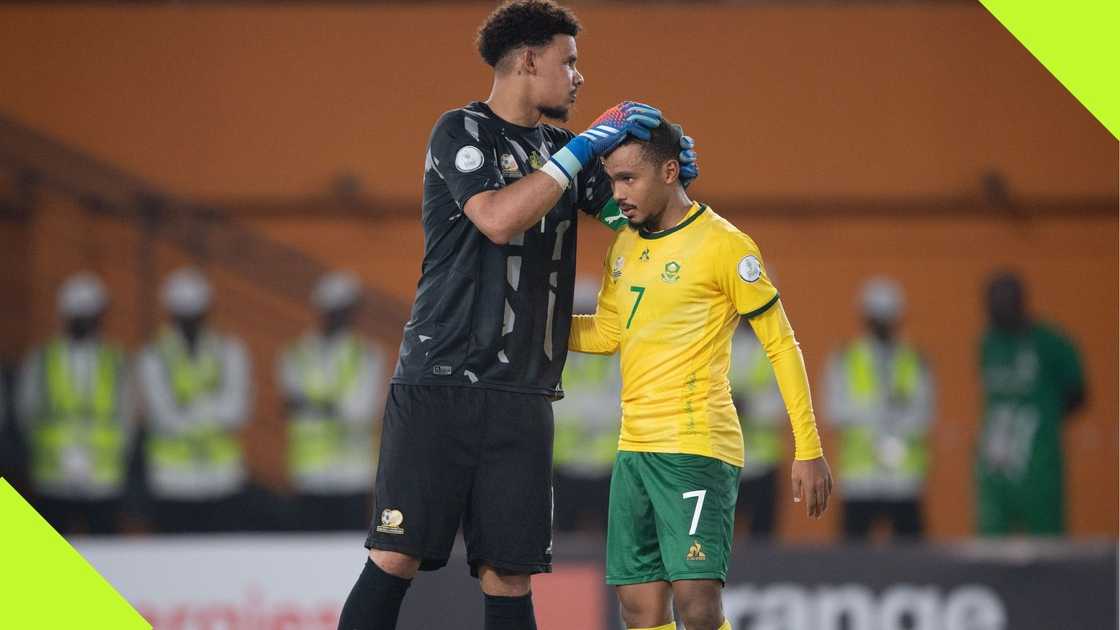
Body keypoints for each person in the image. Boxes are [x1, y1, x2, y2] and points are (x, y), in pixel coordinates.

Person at [335, 2, 698, 628]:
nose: (580, 77)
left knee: (510, 574)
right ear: (529, 59)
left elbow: (634, 217)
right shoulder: (460, 131)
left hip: (523, 395)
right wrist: (582, 149)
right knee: (395, 554)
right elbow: (498, 219)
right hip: (438, 383)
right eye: (570, 61)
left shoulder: (564, 150)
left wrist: (668, 177)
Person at [569, 120, 832, 630]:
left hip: (696, 449)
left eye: (628, 179)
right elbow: (605, 333)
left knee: (696, 604)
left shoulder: (725, 246)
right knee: (639, 609)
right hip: (633, 451)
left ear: (669, 172)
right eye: (613, 180)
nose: (617, 194)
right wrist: (540, 326)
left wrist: (809, 448)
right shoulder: (623, 246)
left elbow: (781, 344)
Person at [17, 272, 134, 535]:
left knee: (105, 558)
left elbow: (126, 415)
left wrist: (109, 453)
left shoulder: (114, 359)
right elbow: (27, 413)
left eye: (90, 315)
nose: (85, 321)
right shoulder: (42, 358)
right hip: (54, 475)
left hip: (103, 475)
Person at [137, 267, 253, 533]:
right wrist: (211, 407)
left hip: (223, 478)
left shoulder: (229, 351)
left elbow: (237, 410)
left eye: (195, 314)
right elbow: (162, 416)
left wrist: (189, 409)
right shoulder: (154, 356)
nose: (190, 322)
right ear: (172, 314)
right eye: (183, 315)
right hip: (171, 480)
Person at [824, 278, 934, 540]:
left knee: (912, 562)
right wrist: (877, 410)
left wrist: (896, 417)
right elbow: (834, 411)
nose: (882, 323)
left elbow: (924, 415)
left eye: (888, 317)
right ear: (866, 317)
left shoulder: (915, 359)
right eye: (877, 317)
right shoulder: (845, 358)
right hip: (860, 479)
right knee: (852, 564)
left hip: (903, 481)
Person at [976, 272, 1084, 536]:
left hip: (1038, 460)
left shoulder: (1049, 342)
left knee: (1047, 544)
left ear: (1019, 302)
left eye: (1000, 303)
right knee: (990, 546)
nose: (993, 311)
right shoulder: (988, 342)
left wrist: (1044, 420)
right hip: (995, 462)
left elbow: (1078, 393)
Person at [278, 271, 386, 531]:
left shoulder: (368, 355)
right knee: (308, 556)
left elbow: (361, 410)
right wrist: (330, 405)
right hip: (309, 474)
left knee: (349, 555)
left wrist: (311, 404)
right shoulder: (295, 355)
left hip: (352, 476)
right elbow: (290, 405)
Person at [552, 280, 620, 533]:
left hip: (606, 468)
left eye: (587, 314)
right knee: (561, 542)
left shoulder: (616, 355)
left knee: (611, 539)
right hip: (564, 467)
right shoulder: (554, 356)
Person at [728, 320, 785, 538]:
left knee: (763, 545)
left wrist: (748, 405)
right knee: (711, 545)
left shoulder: (775, 350)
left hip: (763, 464)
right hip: (720, 462)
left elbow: (784, 405)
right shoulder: (713, 345)